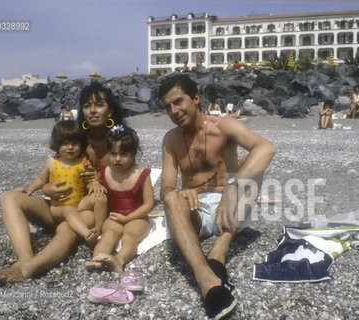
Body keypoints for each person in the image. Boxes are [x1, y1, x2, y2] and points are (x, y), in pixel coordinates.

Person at [0, 81, 126, 283]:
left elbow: (128, 182)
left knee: (67, 226)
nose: (92, 110)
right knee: (9, 198)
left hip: (89, 212)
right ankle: (24, 258)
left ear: (110, 110)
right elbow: (54, 172)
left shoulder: (122, 140)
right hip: (59, 205)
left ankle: (26, 270)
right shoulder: (74, 137)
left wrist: (97, 182)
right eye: (86, 105)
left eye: (99, 105)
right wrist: (47, 188)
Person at [158, 74, 275, 319]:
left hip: (231, 209)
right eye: (168, 106)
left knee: (253, 168)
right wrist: (180, 192)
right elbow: (166, 189)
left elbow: (266, 148)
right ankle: (206, 279)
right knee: (171, 198)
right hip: (195, 213)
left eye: (179, 102)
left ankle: (221, 247)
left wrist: (232, 187)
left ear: (196, 98)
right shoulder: (170, 139)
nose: (174, 110)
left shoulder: (223, 127)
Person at [17, 120, 108, 247]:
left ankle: (99, 229)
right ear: (57, 145)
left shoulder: (83, 162)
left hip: (80, 204)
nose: (70, 147)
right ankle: (87, 234)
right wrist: (30, 190)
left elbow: (89, 181)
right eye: (65, 144)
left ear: (81, 144)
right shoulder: (52, 162)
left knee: (100, 197)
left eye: (74, 143)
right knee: (68, 210)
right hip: (58, 208)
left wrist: (95, 184)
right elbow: (41, 179)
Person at [85, 126, 153, 273]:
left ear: (134, 154)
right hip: (114, 215)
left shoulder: (142, 174)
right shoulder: (105, 171)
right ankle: (96, 259)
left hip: (137, 216)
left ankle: (119, 259)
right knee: (108, 234)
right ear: (108, 153)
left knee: (130, 236)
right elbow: (92, 181)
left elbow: (149, 204)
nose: (117, 159)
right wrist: (95, 182)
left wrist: (128, 217)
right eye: (113, 153)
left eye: (123, 154)